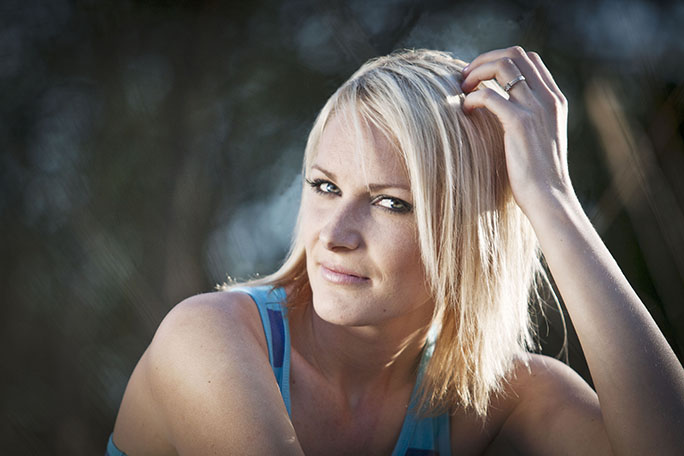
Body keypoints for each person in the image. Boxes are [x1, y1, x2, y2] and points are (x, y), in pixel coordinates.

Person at [107, 47, 684, 455]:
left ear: (469, 235)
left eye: (391, 203)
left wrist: (552, 197)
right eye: (325, 186)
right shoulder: (207, 338)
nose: (334, 234)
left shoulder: (495, 393)